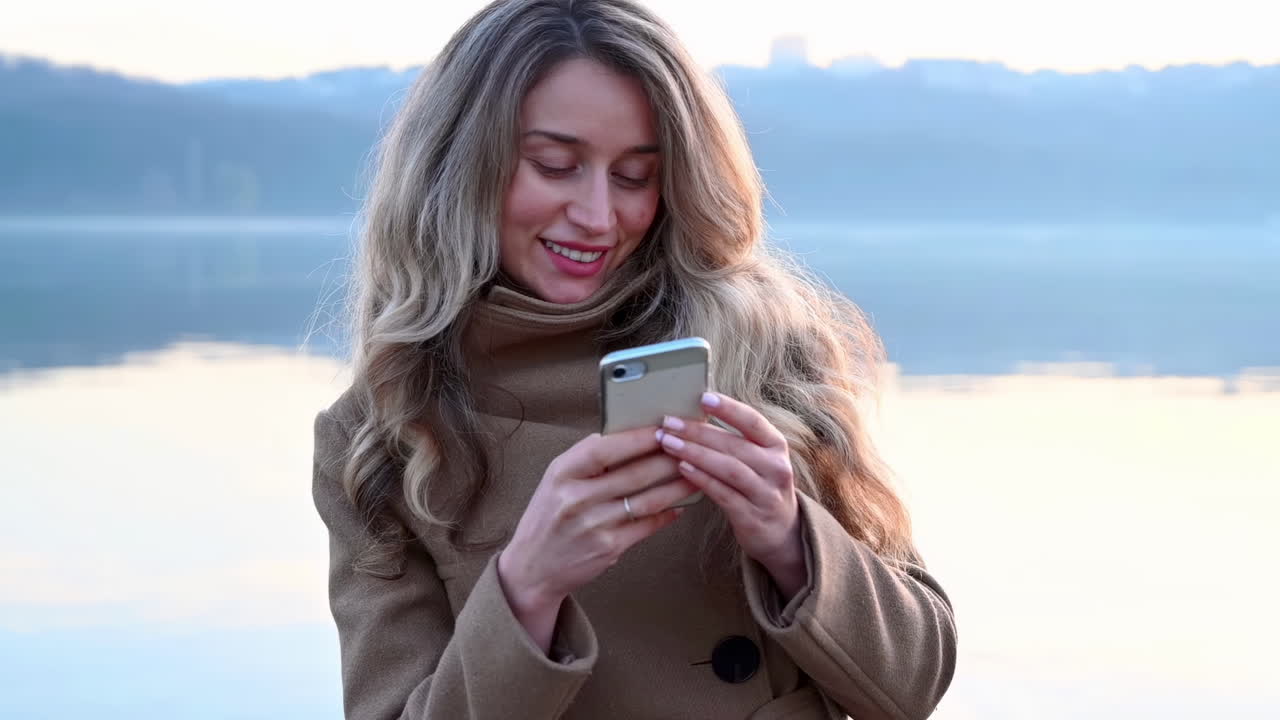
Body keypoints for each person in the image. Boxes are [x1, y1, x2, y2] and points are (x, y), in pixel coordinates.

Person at [311, 0, 957, 718]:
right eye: (556, 166)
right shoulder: (379, 434)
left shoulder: (762, 346)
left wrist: (790, 540)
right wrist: (526, 587)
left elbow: (916, 683)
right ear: (459, 167)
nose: (598, 216)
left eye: (634, 176)